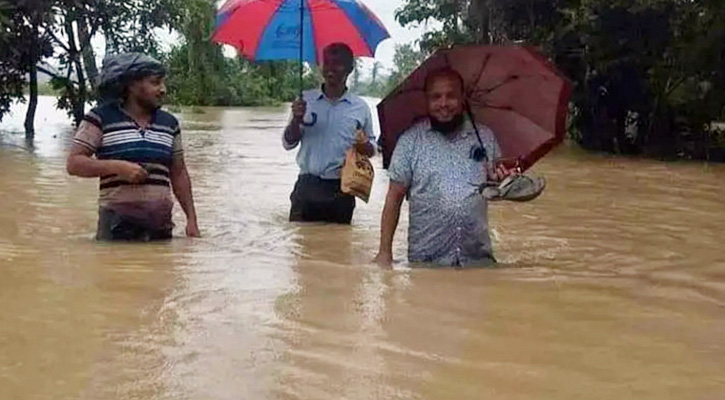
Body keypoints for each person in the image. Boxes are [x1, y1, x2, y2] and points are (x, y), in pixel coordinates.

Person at [374, 67, 515, 268]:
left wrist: (504, 181)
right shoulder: (410, 141)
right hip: (426, 261)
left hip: (478, 261)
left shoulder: (485, 137)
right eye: (436, 97)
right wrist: (384, 253)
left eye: (451, 96)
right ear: (427, 101)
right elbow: (394, 197)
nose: (443, 104)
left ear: (463, 98)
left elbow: (495, 185)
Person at [66, 52, 200, 241]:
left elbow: (178, 173)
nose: (163, 89)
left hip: (160, 228)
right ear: (132, 85)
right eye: (155, 82)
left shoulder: (169, 124)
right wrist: (118, 167)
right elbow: (74, 163)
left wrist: (192, 220)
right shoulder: (99, 118)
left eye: (163, 83)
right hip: (115, 229)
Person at [282, 42, 377, 224]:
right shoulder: (305, 101)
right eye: (326, 63)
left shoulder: (360, 108)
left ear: (349, 69)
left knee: (339, 250)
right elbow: (288, 143)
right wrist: (296, 119)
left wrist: (363, 145)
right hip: (306, 186)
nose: (331, 69)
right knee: (300, 249)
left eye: (338, 64)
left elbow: (373, 150)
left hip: (341, 190)